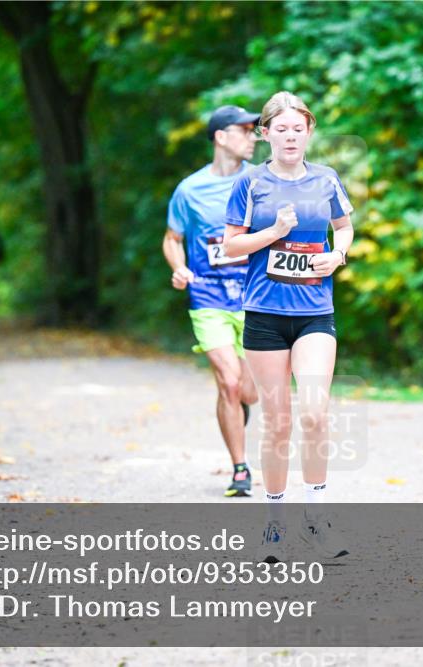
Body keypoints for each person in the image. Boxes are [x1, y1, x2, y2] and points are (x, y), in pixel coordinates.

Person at [223, 91, 354, 562]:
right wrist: (273, 233)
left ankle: (316, 520)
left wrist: (339, 252)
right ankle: (274, 526)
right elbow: (231, 248)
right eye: (281, 129)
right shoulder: (250, 185)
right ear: (265, 135)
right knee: (278, 423)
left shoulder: (326, 179)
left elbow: (343, 226)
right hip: (264, 314)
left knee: (315, 414)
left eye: (298, 128)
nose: (291, 136)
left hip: (315, 311)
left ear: (309, 132)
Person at [163, 105, 261, 497]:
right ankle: (240, 469)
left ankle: (241, 407)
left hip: (254, 295)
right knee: (228, 383)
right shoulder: (190, 190)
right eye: (246, 131)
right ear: (222, 137)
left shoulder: (261, 182)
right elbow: (173, 239)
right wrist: (180, 267)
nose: (254, 137)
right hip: (207, 295)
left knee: (248, 391)